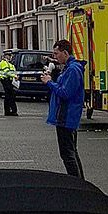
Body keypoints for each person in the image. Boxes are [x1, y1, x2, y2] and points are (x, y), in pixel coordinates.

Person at [41, 39, 86, 179]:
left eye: (57, 53)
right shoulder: (69, 68)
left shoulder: (73, 69)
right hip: (65, 115)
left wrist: (49, 83)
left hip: (66, 116)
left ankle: (77, 184)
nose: (55, 57)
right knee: (71, 152)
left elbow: (65, 93)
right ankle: (79, 182)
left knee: (68, 153)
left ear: (65, 53)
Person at [0, 52, 19, 116]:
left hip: (9, 80)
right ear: (6, 56)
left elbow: (13, 71)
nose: (10, 57)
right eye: (9, 56)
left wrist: (15, 75)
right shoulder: (3, 63)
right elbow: (6, 72)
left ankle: (9, 111)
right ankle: (12, 111)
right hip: (6, 80)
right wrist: (14, 76)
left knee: (9, 96)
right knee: (10, 95)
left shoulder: (9, 63)